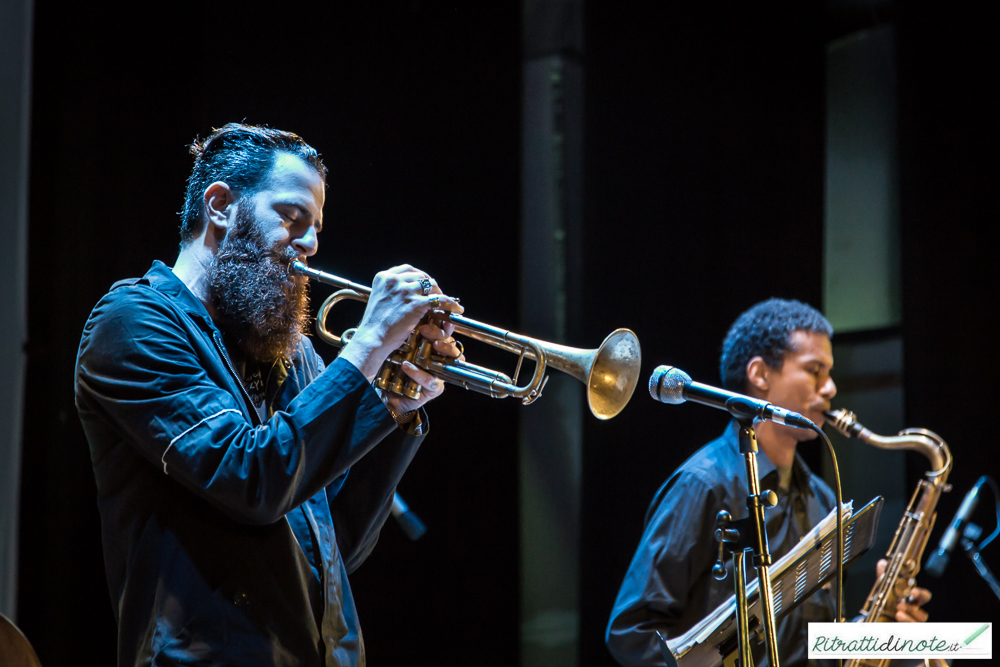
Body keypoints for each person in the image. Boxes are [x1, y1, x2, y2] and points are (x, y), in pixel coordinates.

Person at [74, 123, 463, 666]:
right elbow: (250, 479)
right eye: (292, 217)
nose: (310, 244)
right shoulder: (134, 323)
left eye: (316, 228)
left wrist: (395, 404)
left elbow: (337, 545)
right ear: (220, 207)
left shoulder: (291, 351)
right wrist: (370, 341)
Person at [606, 298, 935, 667]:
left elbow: (812, 645)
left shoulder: (822, 499)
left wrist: (885, 631)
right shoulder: (704, 485)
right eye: (815, 370)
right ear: (760, 374)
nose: (830, 388)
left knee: (958, 645)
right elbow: (630, 632)